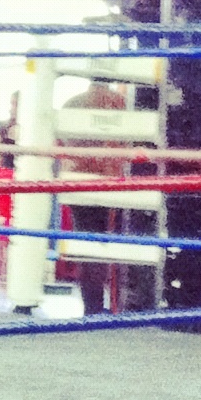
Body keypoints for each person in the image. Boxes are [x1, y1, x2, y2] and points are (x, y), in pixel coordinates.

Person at [63, 79, 130, 316]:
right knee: (109, 244)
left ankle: (91, 306)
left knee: (87, 246)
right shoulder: (120, 103)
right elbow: (125, 145)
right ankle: (114, 304)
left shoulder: (72, 104)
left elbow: (63, 143)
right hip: (110, 182)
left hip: (78, 181)